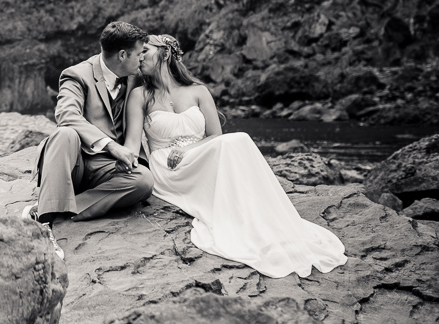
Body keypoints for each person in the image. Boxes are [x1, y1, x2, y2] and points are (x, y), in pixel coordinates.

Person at [123, 34, 347, 278]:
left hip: (199, 154)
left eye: (146, 50)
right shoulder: (140, 95)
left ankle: (256, 220)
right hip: (168, 166)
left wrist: (188, 148)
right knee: (235, 142)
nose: (140, 55)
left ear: (165, 54)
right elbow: (133, 144)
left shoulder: (198, 91)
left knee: (238, 139)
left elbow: (215, 136)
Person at [27, 22, 156, 257]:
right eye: (139, 54)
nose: (141, 59)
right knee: (65, 132)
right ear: (123, 54)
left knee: (144, 181)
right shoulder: (77, 74)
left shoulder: (134, 78)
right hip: (73, 163)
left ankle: (52, 209)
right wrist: (112, 146)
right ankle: (44, 224)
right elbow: (66, 115)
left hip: (107, 170)